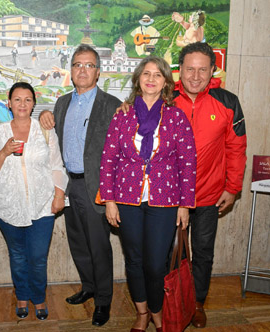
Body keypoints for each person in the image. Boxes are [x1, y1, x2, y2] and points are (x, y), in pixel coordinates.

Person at [118, 42, 247, 328]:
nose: (196, 75)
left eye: (203, 69)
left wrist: (233, 187)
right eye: (190, 69)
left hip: (208, 195)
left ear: (213, 70)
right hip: (166, 198)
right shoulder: (164, 100)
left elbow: (236, 148)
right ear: (179, 71)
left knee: (202, 253)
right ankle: (162, 304)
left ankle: (196, 303)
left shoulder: (227, 102)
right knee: (161, 256)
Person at [99, 55, 197, 332]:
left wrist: (185, 205)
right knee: (134, 260)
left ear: (166, 82)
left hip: (165, 201)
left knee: (156, 264)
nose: (151, 78)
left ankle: (157, 311)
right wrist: (109, 200)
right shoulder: (123, 115)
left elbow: (188, 163)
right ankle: (141, 313)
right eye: (146, 74)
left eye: (157, 74)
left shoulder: (176, 117)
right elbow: (108, 159)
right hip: (126, 199)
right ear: (138, 79)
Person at [39, 44, 122, 327]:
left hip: (96, 187)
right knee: (78, 242)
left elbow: (121, 153)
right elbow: (52, 136)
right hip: (69, 185)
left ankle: (103, 300)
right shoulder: (62, 103)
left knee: (99, 246)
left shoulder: (111, 105)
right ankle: (88, 286)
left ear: (98, 71)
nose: (82, 70)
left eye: (88, 65)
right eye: (77, 65)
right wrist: (43, 116)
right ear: (71, 71)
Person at [0, 82, 68, 321]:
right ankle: (22, 295)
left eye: (27, 99)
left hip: (42, 205)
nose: (22, 104)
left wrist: (59, 195)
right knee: (18, 255)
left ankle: (39, 297)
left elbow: (56, 165)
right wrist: (3, 151)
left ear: (33, 103)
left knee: (39, 256)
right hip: (8, 206)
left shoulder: (43, 130)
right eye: (17, 99)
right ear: (9, 103)